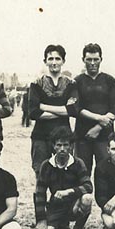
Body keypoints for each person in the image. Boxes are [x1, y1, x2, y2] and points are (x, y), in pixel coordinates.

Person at [31, 128, 93, 229]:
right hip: (55, 207)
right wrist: (41, 220)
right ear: (53, 146)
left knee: (87, 198)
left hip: (74, 205)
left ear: (71, 146)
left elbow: (88, 186)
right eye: (59, 145)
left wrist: (68, 192)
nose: (62, 149)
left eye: (66, 145)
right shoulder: (46, 165)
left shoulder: (78, 163)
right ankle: (60, 227)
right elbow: (40, 194)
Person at [70, 43, 115, 177]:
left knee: (105, 171)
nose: (92, 63)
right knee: (82, 171)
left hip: (105, 135)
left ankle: (104, 199)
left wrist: (98, 127)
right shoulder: (77, 81)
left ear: (101, 59)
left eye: (96, 59)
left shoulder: (109, 80)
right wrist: (99, 118)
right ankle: (84, 198)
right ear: (83, 60)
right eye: (89, 59)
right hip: (83, 135)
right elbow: (77, 108)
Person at [27, 44, 78, 175]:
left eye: (57, 59)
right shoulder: (36, 83)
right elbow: (33, 112)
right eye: (50, 59)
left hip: (64, 137)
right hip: (40, 136)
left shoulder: (71, 84)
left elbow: (73, 110)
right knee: (41, 173)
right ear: (45, 61)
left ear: (63, 61)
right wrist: (62, 111)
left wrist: (43, 107)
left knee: (66, 174)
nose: (54, 62)